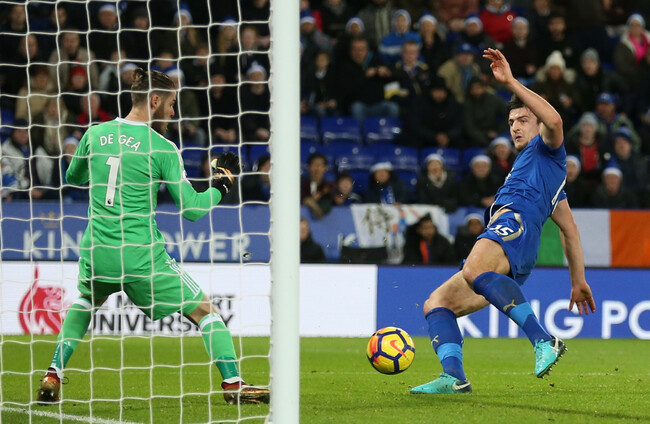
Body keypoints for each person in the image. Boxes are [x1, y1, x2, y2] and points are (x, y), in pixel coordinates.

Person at [36, 68, 269, 406]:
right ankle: (233, 384)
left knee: (86, 301)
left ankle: (52, 374)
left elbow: (73, 176)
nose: (173, 113)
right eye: (172, 105)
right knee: (205, 311)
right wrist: (222, 186)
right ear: (155, 101)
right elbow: (191, 209)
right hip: (140, 255)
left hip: (97, 250)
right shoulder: (162, 148)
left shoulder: (95, 133)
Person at [410, 48, 596, 395]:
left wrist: (510, 82)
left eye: (522, 119)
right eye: (511, 122)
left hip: (514, 225)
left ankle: (544, 340)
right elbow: (569, 230)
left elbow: (556, 122)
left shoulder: (548, 149)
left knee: (473, 269)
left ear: (538, 122)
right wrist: (578, 280)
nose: (515, 127)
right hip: (511, 239)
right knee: (436, 303)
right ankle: (454, 377)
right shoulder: (545, 177)